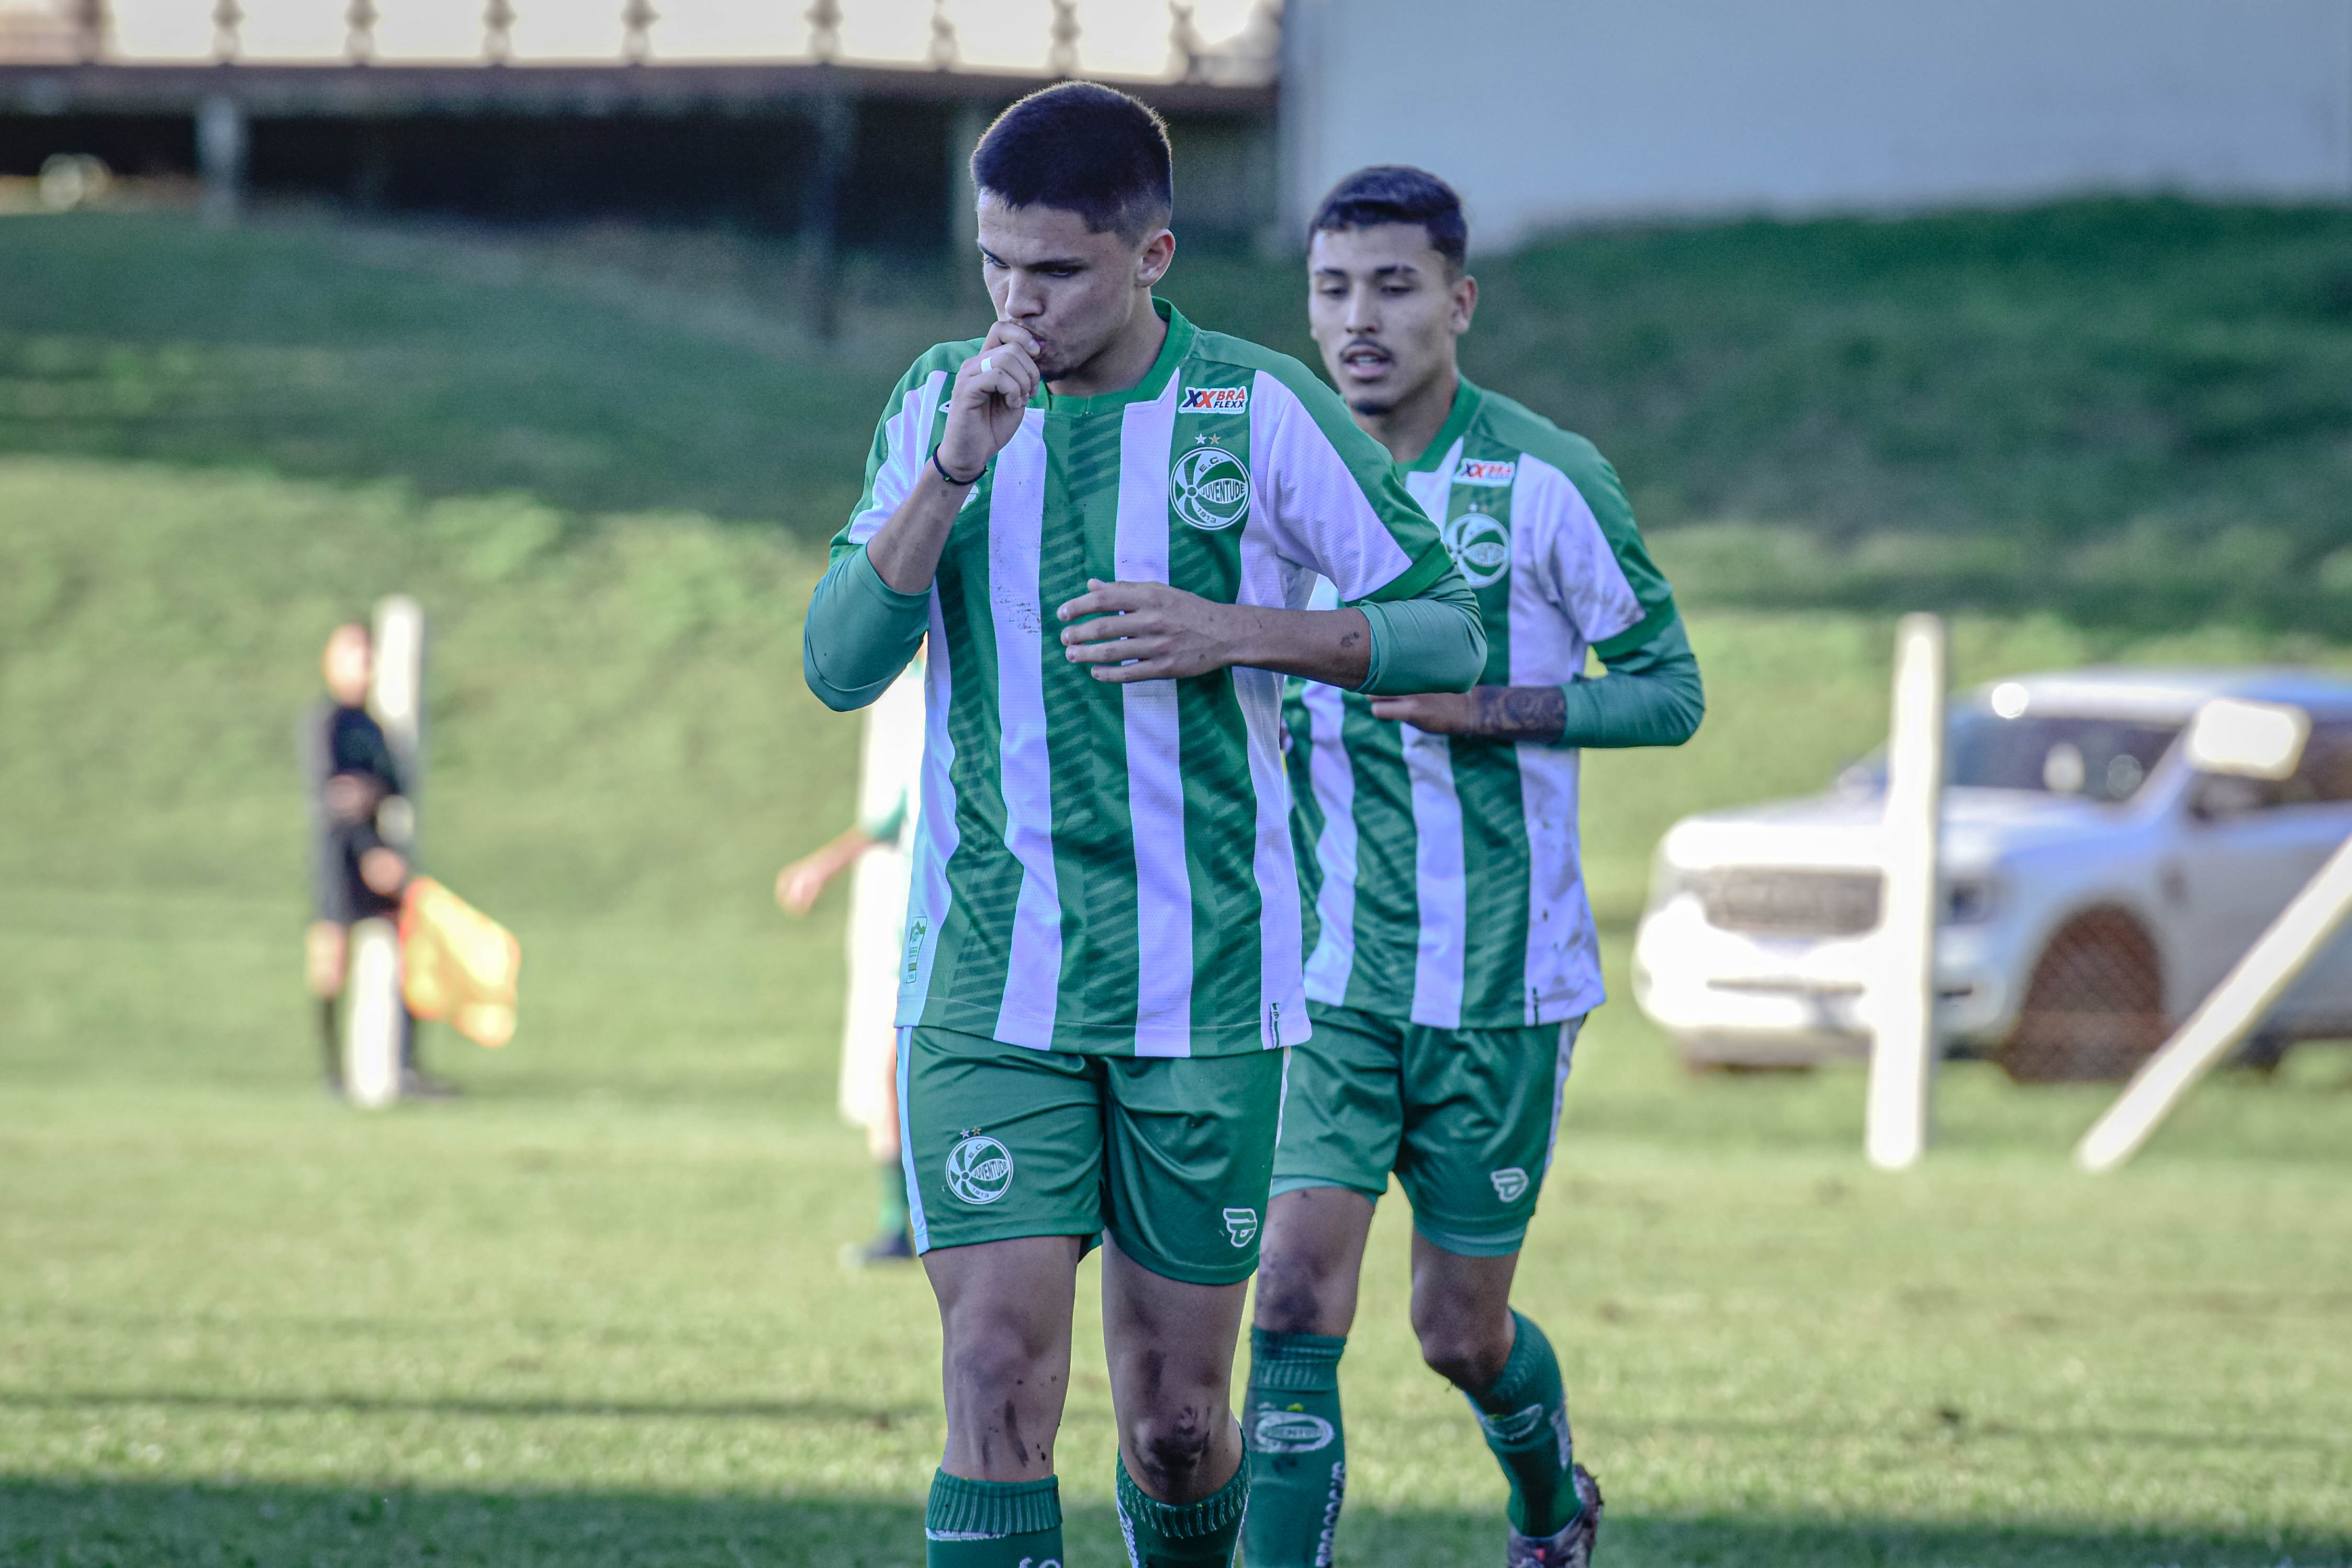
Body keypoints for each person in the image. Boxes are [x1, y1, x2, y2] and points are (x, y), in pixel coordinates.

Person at [801, 86, 1486, 1568]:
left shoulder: (1254, 409)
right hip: (991, 982)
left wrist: (1238, 629)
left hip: (1206, 987)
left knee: (1177, 1421)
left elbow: (1446, 627)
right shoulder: (940, 402)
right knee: (991, 1368)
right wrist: (953, 468)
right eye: (993, 264)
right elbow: (837, 661)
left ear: (1150, 255)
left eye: (1052, 271)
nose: (1015, 301)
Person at [1242, 166, 1705, 1568]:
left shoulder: (1545, 480)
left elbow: (1668, 691)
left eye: (1391, 286)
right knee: (1288, 1299)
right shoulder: (1273, 476)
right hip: (1322, 976)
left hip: (1501, 980)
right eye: (1331, 289)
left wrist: (1493, 705)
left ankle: (1547, 1501)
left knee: (1457, 1330)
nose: (1358, 320)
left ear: (1457, 300)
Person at [777, 654, 926, 1265]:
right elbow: (895, 813)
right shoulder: (916, 695)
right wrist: (824, 864)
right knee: (890, 1073)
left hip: (966, 934)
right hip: (915, 932)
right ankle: (899, 1226)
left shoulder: (976, 686)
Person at [301, 622, 452, 1099]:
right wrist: (369, 848)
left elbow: (391, 786)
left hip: (378, 854)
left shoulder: (373, 727)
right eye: (352, 655)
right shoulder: (327, 724)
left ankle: (405, 1066)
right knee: (332, 960)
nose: (361, 667)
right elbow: (338, 796)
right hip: (339, 856)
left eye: (367, 656)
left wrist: (381, 845)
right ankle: (333, 1076)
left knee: (412, 944)